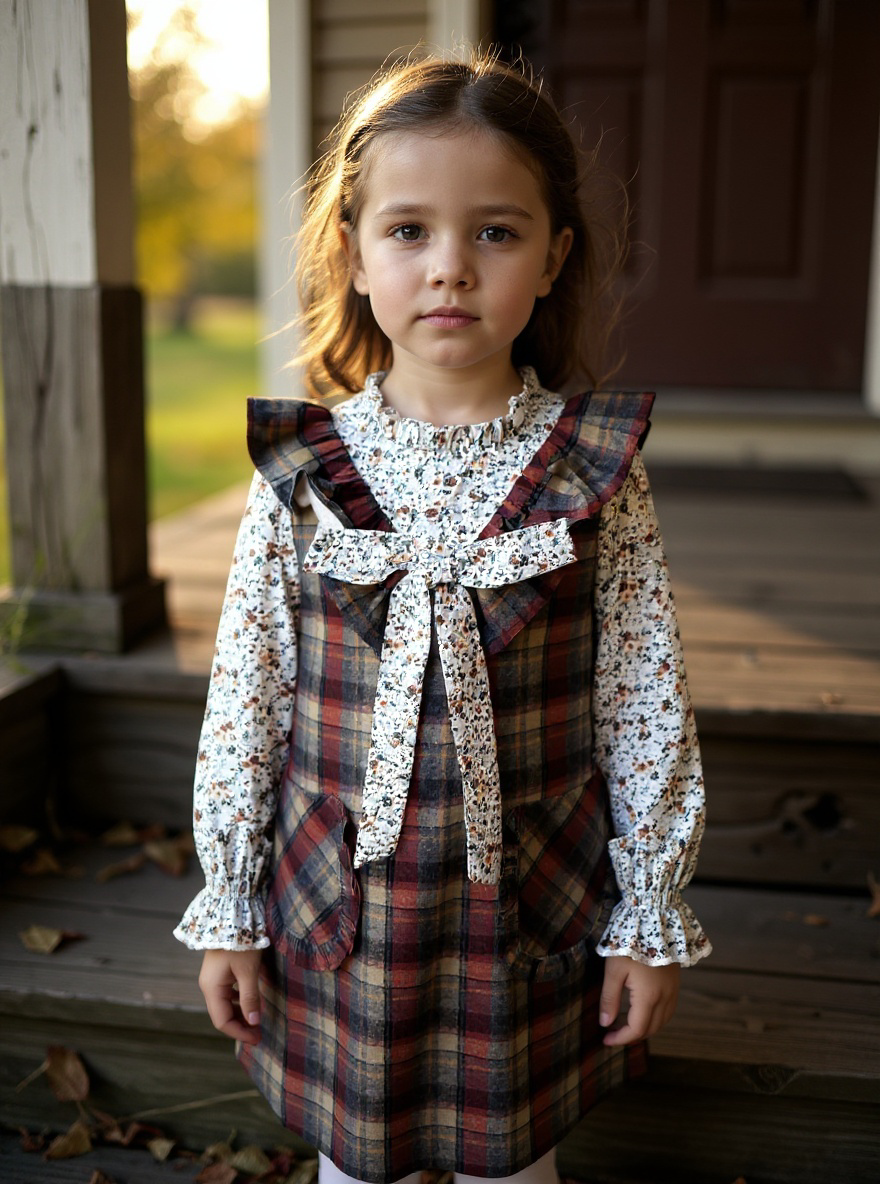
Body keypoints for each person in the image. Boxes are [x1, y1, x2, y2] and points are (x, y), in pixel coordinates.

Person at [174, 51, 710, 1184]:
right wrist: (229, 901)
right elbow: (248, 694)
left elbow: (643, 698)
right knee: (353, 1160)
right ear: (353, 253)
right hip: (340, 910)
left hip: (527, 905)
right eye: (409, 230)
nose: (450, 267)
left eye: (495, 233)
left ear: (553, 257)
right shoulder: (306, 471)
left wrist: (649, 910)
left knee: (511, 1165)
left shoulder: (591, 472)